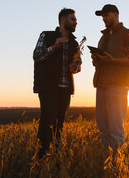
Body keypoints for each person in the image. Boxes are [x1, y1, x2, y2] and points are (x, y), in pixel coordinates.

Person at [33, 8, 82, 160]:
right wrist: (55, 46)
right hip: (48, 88)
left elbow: (78, 64)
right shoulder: (47, 35)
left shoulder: (74, 43)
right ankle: (41, 158)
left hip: (65, 89)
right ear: (63, 20)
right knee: (47, 122)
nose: (76, 22)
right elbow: (37, 56)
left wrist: (76, 68)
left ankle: (55, 157)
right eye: (72, 19)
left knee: (59, 124)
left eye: (75, 19)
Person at [91, 4, 129, 157]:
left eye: (106, 15)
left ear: (116, 15)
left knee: (115, 129)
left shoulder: (128, 34)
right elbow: (100, 63)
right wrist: (96, 59)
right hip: (102, 84)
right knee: (103, 128)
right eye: (102, 16)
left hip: (118, 85)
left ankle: (117, 167)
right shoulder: (103, 37)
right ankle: (108, 163)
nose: (104, 18)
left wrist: (113, 60)